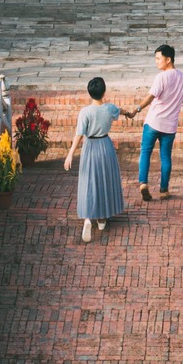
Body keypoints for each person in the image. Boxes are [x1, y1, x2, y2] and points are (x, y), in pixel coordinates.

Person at [64, 76, 127, 242]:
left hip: (90, 147)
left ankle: (87, 218)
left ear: (89, 93)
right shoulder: (109, 109)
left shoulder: (85, 112)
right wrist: (131, 113)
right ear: (104, 92)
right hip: (105, 146)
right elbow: (120, 111)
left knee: (89, 181)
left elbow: (79, 134)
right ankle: (101, 219)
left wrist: (70, 154)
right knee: (105, 181)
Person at [135, 43, 183, 201]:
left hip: (154, 122)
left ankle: (143, 183)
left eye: (158, 58)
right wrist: (175, 98)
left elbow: (151, 96)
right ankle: (164, 190)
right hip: (170, 125)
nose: (156, 61)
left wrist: (137, 109)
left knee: (145, 152)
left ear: (168, 59)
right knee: (166, 156)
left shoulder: (161, 77)